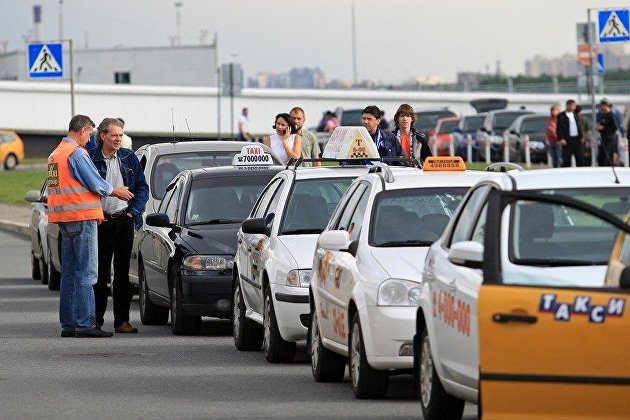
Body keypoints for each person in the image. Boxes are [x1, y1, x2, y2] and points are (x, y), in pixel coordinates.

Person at [47, 115, 134, 338]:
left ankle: (69, 324)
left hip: (65, 220)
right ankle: (86, 324)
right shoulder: (76, 153)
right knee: (87, 272)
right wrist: (118, 191)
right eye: (89, 134)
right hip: (82, 218)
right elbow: (95, 183)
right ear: (83, 130)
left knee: (69, 274)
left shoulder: (56, 154)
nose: (90, 139)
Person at [91, 118, 149, 334]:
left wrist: (133, 211)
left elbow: (143, 188)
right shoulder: (91, 159)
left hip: (124, 219)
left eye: (120, 135)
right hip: (101, 221)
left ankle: (122, 321)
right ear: (103, 135)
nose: (118, 139)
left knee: (123, 274)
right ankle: (95, 320)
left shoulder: (128, 157)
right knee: (100, 274)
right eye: (114, 135)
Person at [556, 99, 583, 167]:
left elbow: (579, 126)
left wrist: (581, 137)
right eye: (573, 105)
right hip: (567, 139)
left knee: (580, 157)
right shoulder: (561, 115)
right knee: (566, 158)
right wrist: (561, 138)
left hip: (577, 139)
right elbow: (559, 128)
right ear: (568, 105)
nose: (574, 107)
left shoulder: (576, 115)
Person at [597, 100, 619, 166]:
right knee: (601, 155)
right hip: (603, 138)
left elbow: (614, 128)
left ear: (605, 106)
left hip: (609, 138)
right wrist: (599, 128)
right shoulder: (603, 115)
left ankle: (607, 166)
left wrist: (603, 128)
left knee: (607, 155)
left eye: (601, 106)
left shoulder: (611, 115)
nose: (600, 108)